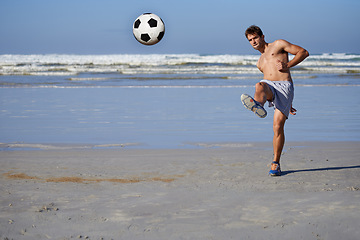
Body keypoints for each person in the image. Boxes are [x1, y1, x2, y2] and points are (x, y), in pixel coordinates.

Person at [241, 25, 309, 176]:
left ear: (262, 37)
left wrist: (288, 65)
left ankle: (276, 162)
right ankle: (258, 104)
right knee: (259, 85)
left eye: (255, 38)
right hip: (269, 87)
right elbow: (269, 80)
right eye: (250, 40)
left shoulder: (278, 45)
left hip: (285, 88)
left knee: (278, 127)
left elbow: (303, 52)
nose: (253, 42)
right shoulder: (259, 63)